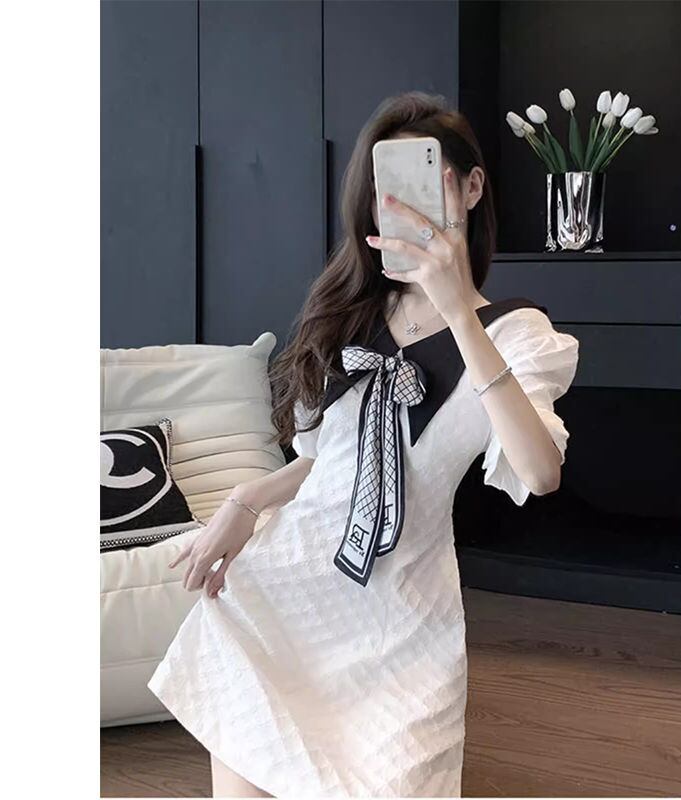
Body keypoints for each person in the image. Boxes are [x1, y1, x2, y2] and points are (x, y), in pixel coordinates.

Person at [147, 90, 579, 798]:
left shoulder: (516, 333)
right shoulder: (348, 314)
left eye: (425, 180)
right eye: (386, 189)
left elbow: (540, 472)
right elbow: (329, 464)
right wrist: (247, 500)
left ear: (472, 188)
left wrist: (457, 313)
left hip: (403, 621)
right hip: (288, 587)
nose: (400, 205)